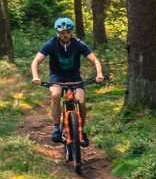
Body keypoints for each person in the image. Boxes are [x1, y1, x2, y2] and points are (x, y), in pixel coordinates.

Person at [31, 17, 104, 146]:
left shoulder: (79, 44)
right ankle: (56, 129)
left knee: (81, 101)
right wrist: (35, 77)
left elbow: (95, 60)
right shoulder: (51, 44)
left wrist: (99, 73)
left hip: (74, 77)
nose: (65, 35)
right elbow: (36, 61)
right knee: (55, 95)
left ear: (71, 32)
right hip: (57, 76)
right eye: (62, 33)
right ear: (57, 33)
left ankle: (81, 130)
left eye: (68, 33)